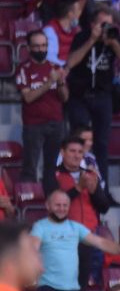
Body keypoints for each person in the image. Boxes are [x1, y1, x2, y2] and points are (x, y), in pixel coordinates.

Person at [67, 6, 120, 181]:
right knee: (78, 141)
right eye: (102, 24)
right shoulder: (81, 37)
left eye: (109, 25)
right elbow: (71, 62)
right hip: (80, 96)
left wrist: (113, 44)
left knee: (102, 144)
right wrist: (91, 40)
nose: (106, 28)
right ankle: (76, 181)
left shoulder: (114, 39)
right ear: (92, 24)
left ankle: (102, 189)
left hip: (103, 96)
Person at [52, 135, 114, 289]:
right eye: (72, 151)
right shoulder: (53, 175)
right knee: (62, 286)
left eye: (80, 152)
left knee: (83, 287)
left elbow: (104, 207)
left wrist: (94, 192)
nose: (76, 155)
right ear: (63, 152)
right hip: (63, 238)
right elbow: (54, 205)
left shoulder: (90, 175)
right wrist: (78, 188)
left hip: (88, 237)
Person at [16, 31, 69, 189]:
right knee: (30, 169)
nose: (41, 49)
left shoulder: (55, 67)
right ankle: (30, 202)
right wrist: (48, 83)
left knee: (52, 169)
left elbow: (65, 97)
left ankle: (50, 201)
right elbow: (28, 97)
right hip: (33, 125)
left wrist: (59, 82)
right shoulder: (24, 69)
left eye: (44, 45)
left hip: (56, 123)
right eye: (37, 46)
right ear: (29, 48)